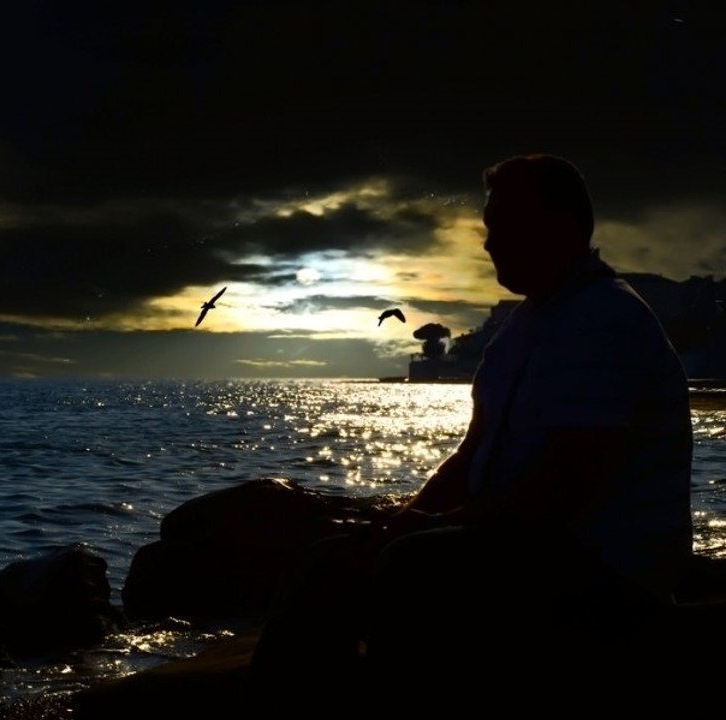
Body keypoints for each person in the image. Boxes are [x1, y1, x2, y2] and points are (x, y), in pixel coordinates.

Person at [250, 154, 693, 687]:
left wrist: (435, 528)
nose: (488, 243)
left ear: (560, 227)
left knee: (410, 568)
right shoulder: (521, 328)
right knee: (330, 560)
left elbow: (567, 484)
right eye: (489, 228)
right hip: (524, 546)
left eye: (504, 227)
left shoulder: (606, 321)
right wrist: (404, 518)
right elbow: (471, 455)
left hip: (604, 571)